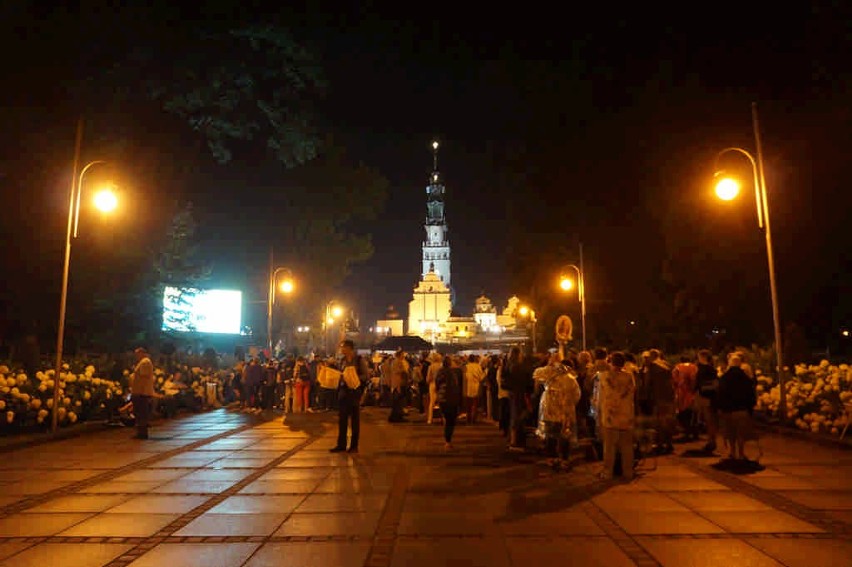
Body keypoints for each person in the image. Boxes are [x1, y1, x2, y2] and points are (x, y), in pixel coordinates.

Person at [534, 352, 581, 468]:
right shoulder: (570, 378)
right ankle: (563, 458)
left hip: (550, 411)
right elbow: (577, 395)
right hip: (565, 412)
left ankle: (552, 457)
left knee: (552, 435)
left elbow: (536, 374)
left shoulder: (548, 377)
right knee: (564, 435)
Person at [598, 351, 636, 480]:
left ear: (611, 362)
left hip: (610, 415)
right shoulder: (629, 376)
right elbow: (632, 393)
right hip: (626, 415)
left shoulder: (604, 377)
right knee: (627, 447)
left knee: (609, 447)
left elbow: (600, 396)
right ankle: (628, 472)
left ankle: (607, 472)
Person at [330, 340, 369, 454]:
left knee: (354, 421)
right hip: (343, 392)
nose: (341, 349)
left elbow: (365, 375)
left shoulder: (359, 360)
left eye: (343, 347)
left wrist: (354, 377)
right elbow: (339, 373)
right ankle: (341, 445)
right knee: (342, 420)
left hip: (354, 392)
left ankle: (354, 446)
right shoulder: (342, 361)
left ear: (349, 348)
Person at [717, 352, 757, 460]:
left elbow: (720, 394)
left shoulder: (724, 378)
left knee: (730, 433)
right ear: (740, 364)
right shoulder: (746, 379)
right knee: (741, 434)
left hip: (728, 410)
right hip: (742, 410)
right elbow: (751, 395)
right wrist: (750, 407)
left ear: (730, 363)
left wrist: (720, 408)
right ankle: (741, 453)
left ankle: (732, 452)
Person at [694, 349, 719, 452]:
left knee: (709, 420)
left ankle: (711, 441)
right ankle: (711, 440)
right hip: (709, 395)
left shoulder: (705, 369)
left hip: (706, 396)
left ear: (703, 357)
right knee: (709, 420)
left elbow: (701, 382)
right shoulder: (711, 368)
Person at [435, 355, 462, 449]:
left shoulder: (440, 372)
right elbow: (456, 387)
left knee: (447, 418)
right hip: (452, 399)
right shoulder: (453, 372)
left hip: (443, 398)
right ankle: (448, 440)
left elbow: (437, 384)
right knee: (451, 420)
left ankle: (447, 439)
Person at [130, 347, 155, 439]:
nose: (136, 356)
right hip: (139, 391)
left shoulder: (145, 362)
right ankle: (140, 431)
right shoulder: (143, 362)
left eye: (137, 354)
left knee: (141, 412)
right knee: (139, 412)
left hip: (141, 392)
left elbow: (143, 377)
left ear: (142, 353)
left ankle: (142, 432)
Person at [463, 354, 485, 424]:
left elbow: (464, 378)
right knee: (475, 404)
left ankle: (468, 419)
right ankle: (473, 419)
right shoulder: (478, 366)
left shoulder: (466, 367)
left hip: (468, 387)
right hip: (476, 387)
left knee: (468, 405)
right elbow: (481, 377)